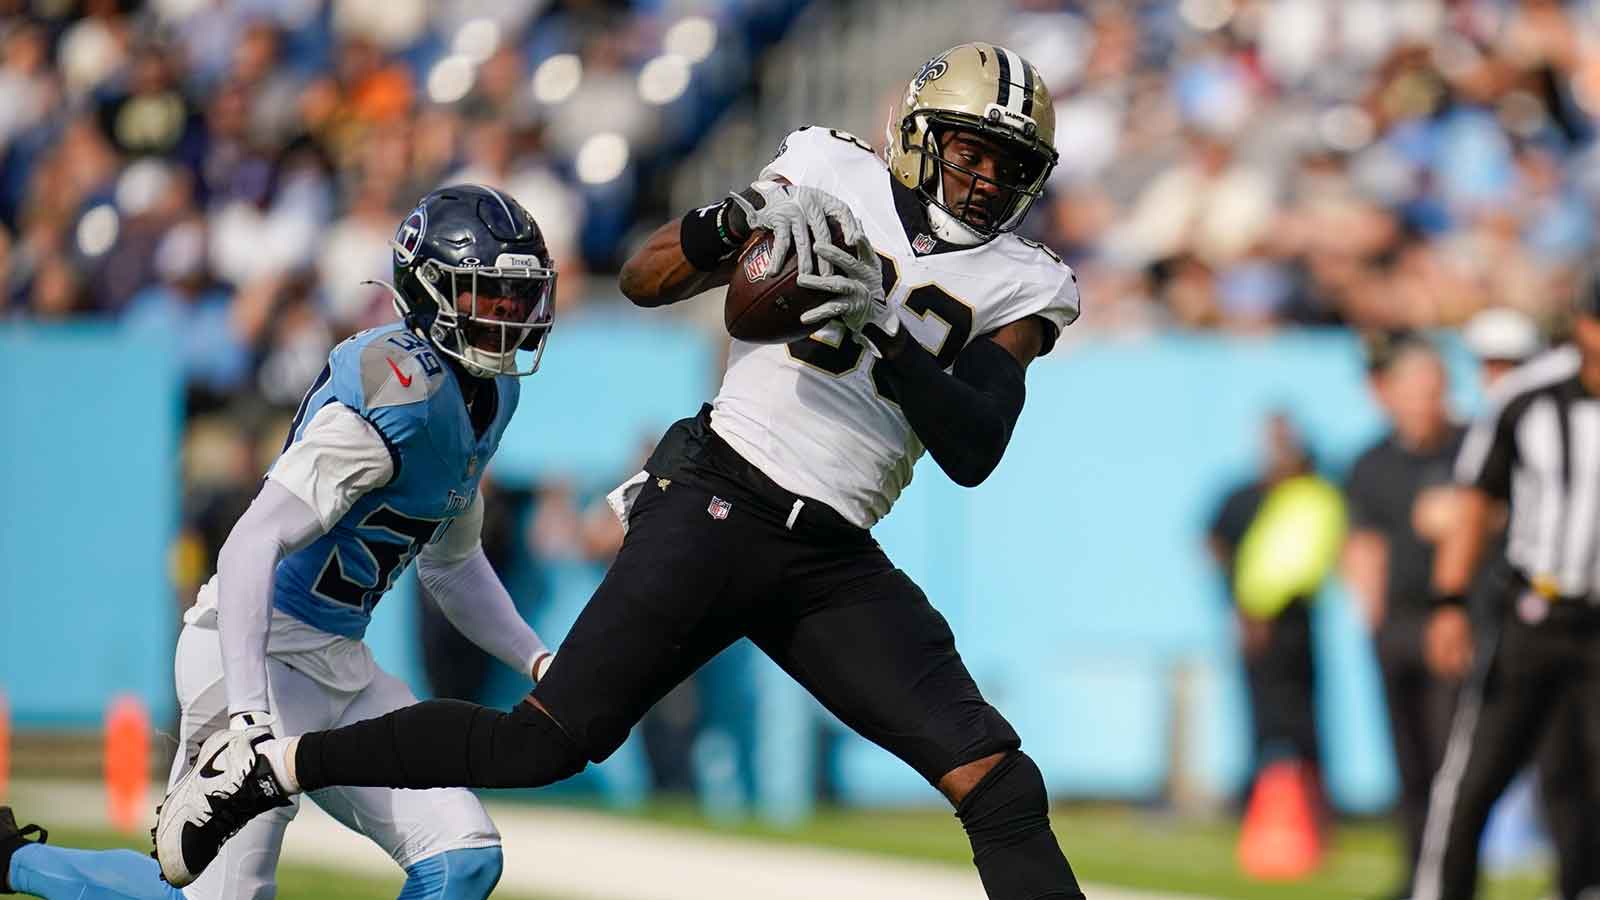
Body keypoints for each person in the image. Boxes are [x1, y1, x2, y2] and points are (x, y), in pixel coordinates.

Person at [154, 43, 1086, 900]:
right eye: (972, 148)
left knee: (999, 781)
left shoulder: (1025, 282)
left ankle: (275, 765)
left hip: (834, 554)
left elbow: (976, 444)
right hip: (721, 497)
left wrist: (886, 330)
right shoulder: (828, 166)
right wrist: (730, 224)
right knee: (545, 742)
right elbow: (648, 279)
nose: (987, 177)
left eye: (1012, 164)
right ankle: (271, 766)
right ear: (917, 133)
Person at [1, 184, 559, 900]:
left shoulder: (489, 397)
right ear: (432, 289)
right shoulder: (399, 392)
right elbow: (249, 546)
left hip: (342, 665)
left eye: (518, 299)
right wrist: (249, 718)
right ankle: (14, 863)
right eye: (490, 295)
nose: (508, 317)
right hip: (257, 657)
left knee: (464, 855)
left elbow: (452, 567)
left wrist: (539, 658)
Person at [1414, 285, 1600, 900]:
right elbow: (1475, 499)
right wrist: (1448, 603)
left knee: (1580, 784)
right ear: (1583, 325)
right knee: (1475, 777)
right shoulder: (1530, 398)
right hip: (1534, 614)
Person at [1341, 333, 1465, 900]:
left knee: (1453, 769)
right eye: (1412, 389)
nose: (1423, 400)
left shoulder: (1471, 449)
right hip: (1398, 630)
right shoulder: (1371, 462)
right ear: (1389, 394)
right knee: (1411, 765)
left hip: (1456, 627)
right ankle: (1417, 874)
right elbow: (1363, 543)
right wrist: (1374, 623)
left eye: (1431, 388)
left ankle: (1452, 878)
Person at [1208, 413, 1343, 804]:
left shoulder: (1308, 497)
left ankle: (1310, 800)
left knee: (1301, 714)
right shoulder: (1244, 496)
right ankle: (1264, 798)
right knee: (1262, 713)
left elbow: (1294, 563)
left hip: (1290, 619)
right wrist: (1239, 603)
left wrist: (1262, 606)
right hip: (1252, 617)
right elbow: (1216, 543)